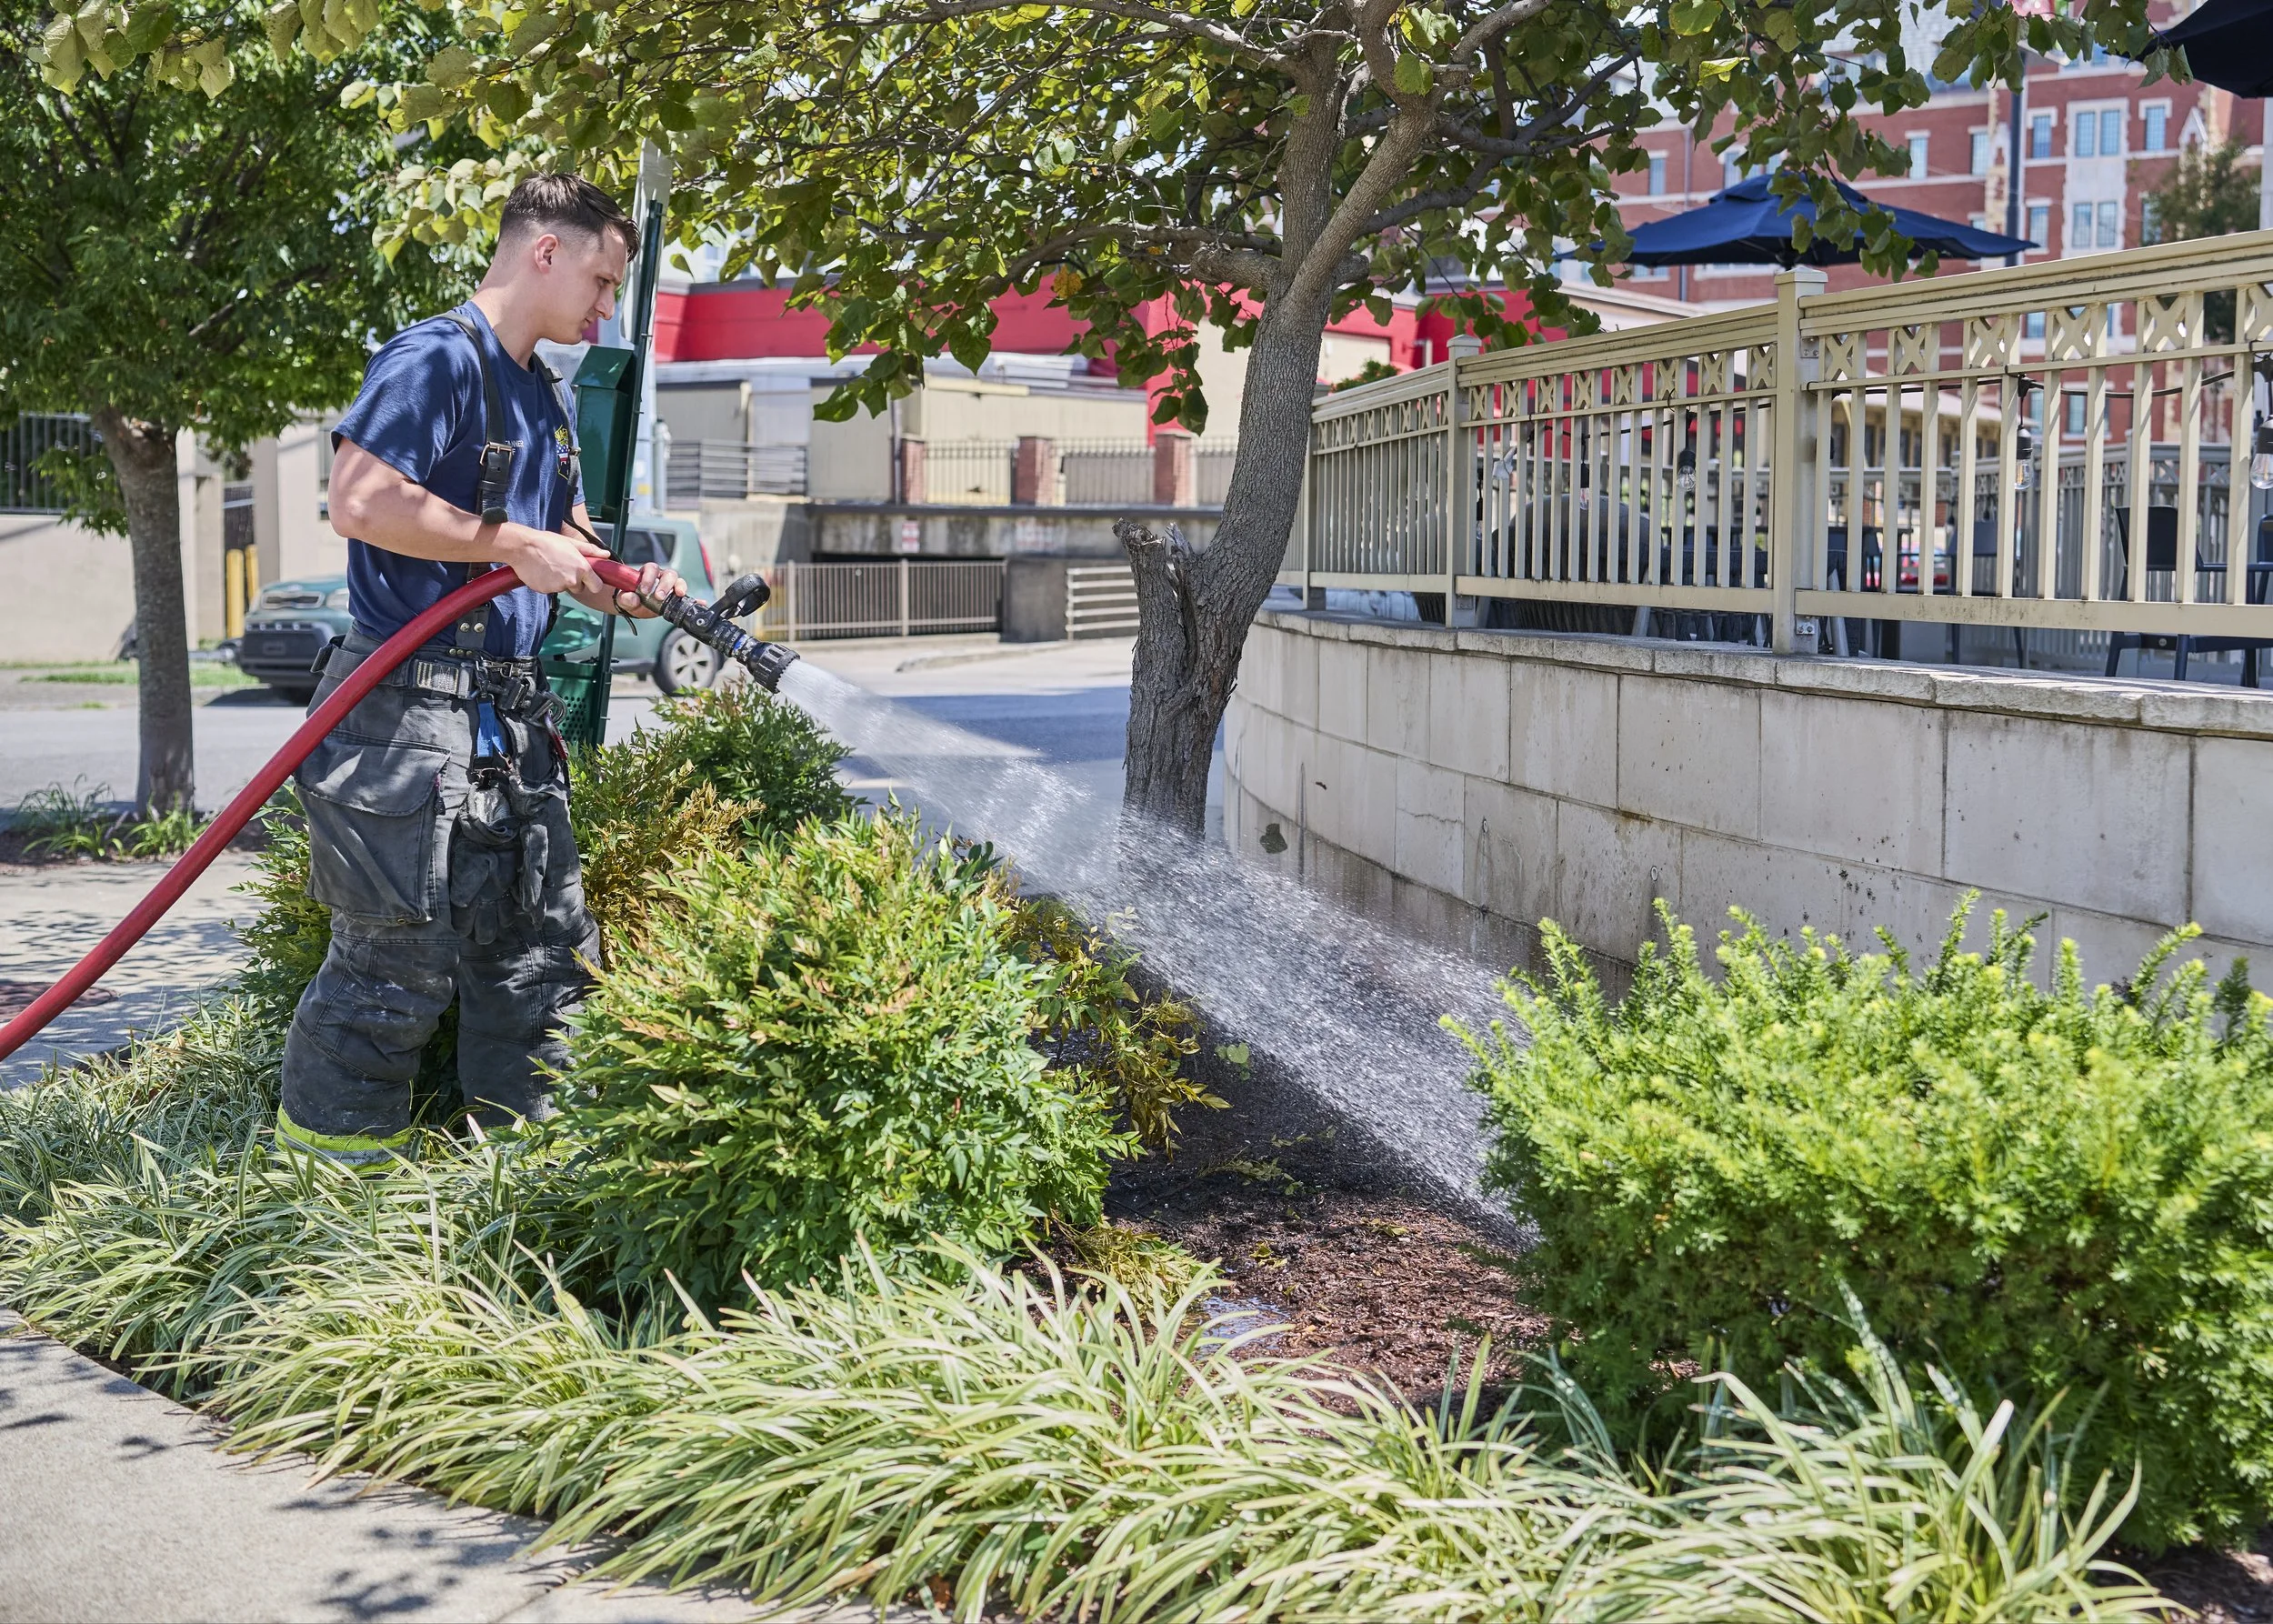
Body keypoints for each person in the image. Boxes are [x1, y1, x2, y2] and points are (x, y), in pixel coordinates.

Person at [276, 174, 685, 1166]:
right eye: (599, 280)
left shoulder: (537, 392)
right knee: (391, 973)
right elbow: (361, 501)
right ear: (544, 250)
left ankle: (518, 1195)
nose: (603, 310)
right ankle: (329, 1215)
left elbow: (567, 543)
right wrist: (508, 543)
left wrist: (621, 583)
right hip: (403, 730)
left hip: (503, 729)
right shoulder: (434, 360)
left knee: (539, 968)